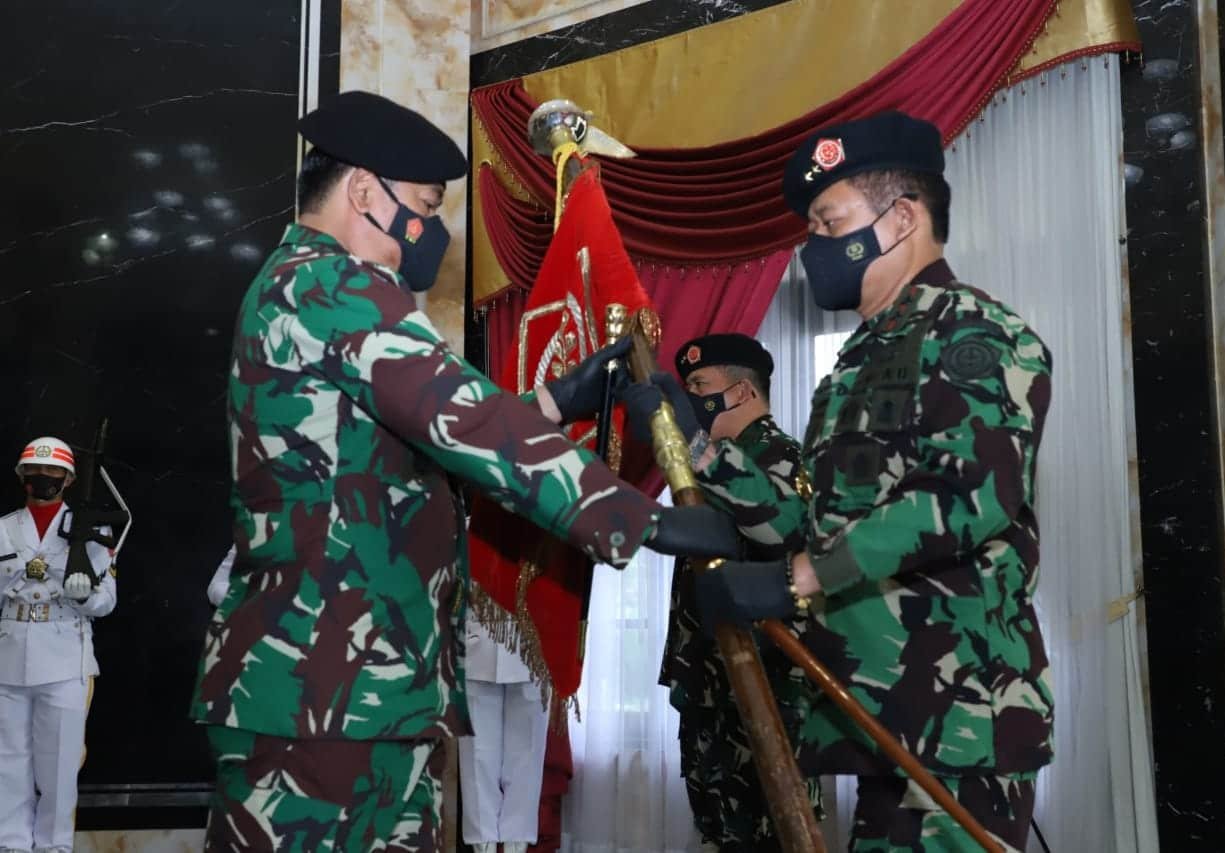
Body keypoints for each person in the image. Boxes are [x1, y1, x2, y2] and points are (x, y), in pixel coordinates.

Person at [188, 90, 737, 852]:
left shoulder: (302, 287)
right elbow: (462, 420)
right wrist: (646, 521)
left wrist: (554, 399)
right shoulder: (334, 286)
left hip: (348, 690)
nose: (431, 231)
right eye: (423, 206)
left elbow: (413, 435)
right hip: (323, 696)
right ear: (363, 191)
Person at [696, 113, 1054, 851]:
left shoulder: (973, 333)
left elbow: (965, 497)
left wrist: (797, 578)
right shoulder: (856, 364)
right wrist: (706, 487)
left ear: (901, 219)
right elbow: (823, 522)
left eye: (830, 223)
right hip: (877, 715)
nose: (815, 248)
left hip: (959, 725)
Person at [622, 334, 822, 852]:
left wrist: (689, 440)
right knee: (717, 831)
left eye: (700, 385)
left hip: (766, 687)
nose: (691, 398)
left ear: (741, 392)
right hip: (710, 683)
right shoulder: (708, 467)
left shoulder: (779, 455)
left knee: (771, 834)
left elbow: (781, 535)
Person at [0, 437, 117, 853]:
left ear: (68, 479)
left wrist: (85, 596)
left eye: (52, 472)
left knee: (60, 761)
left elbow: (106, 602)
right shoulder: (4, 528)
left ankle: (54, 845)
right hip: (9, 652)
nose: (43, 477)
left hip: (65, 653)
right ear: (22, 476)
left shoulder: (92, 529)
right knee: (8, 757)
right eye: (35, 470)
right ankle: (11, 843)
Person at [458, 600, 547, 853]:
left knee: (527, 754)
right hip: (476, 632)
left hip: (535, 634)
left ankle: (516, 846)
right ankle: (482, 846)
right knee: (477, 754)